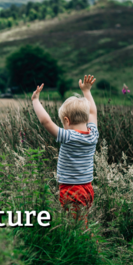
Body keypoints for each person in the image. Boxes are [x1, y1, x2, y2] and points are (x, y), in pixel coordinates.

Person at [31, 75, 99, 224]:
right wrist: (87, 91)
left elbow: (45, 121)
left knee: (76, 225)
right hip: (88, 188)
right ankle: (85, 242)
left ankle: (87, 245)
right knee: (81, 219)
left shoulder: (67, 136)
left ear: (66, 121)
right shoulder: (93, 134)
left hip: (72, 189)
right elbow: (93, 112)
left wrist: (35, 101)